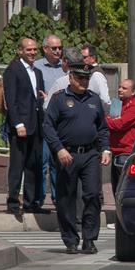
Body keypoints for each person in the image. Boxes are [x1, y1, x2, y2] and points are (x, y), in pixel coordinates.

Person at [44, 65, 110, 254]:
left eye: (86, 79)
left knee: (92, 196)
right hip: (67, 154)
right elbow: (48, 126)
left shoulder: (94, 99)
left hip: (90, 154)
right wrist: (59, 149)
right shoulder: (59, 99)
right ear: (71, 78)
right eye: (80, 78)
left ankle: (89, 239)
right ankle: (70, 239)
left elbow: (102, 128)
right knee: (66, 198)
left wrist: (105, 148)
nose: (83, 82)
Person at [3, 37, 47, 217]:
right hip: (21, 126)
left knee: (33, 165)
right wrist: (18, 123)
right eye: (28, 50)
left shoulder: (37, 72)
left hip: (35, 124)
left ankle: (31, 202)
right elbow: (11, 100)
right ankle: (13, 202)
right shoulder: (13, 70)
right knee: (17, 165)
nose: (32, 53)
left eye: (35, 50)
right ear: (20, 51)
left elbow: (38, 96)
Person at [33, 35, 67, 208]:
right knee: (43, 162)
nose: (58, 51)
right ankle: (39, 199)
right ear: (45, 48)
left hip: (63, 122)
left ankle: (57, 198)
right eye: (54, 48)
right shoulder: (37, 66)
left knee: (58, 163)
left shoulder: (65, 67)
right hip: (45, 121)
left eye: (60, 48)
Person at [106, 78, 135, 195]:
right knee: (116, 187)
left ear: (133, 92)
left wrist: (105, 120)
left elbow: (118, 124)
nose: (119, 90)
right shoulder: (117, 103)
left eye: (124, 88)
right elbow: (112, 124)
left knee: (124, 189)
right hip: (115, 151)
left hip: (127, 153)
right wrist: (111, 121)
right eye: (119, 87)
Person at [80, 44, 112, 113]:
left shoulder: (97, 74)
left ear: (93, 58)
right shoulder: (89, 71)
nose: (81, 60)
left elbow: (105, 99)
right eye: (81, 57)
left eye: (84, 57)